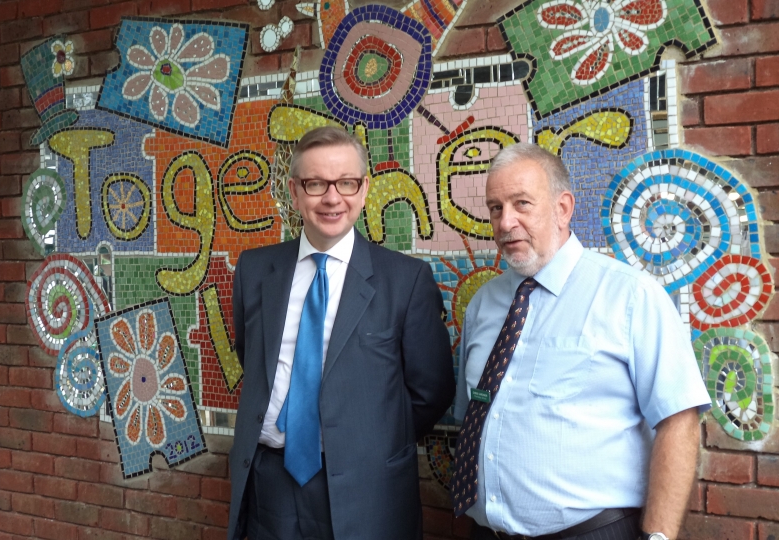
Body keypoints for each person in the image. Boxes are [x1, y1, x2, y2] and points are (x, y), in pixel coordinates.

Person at [451, 143, 710, 540]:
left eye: (522, 204)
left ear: (563, 208)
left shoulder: (630, 296)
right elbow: (471, 413)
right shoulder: (483, 305)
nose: (506, 223)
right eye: (495, 208)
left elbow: (678, 420)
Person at [227, 126, 455, 540]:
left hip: (367, 488)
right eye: (316, 184)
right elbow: (253, 357)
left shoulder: (405, 280)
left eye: (346, 183)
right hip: (270, 483)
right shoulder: (255, 270)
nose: (333, 198)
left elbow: (431, 392)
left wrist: (368, 438)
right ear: (295, 192)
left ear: (364, 189)